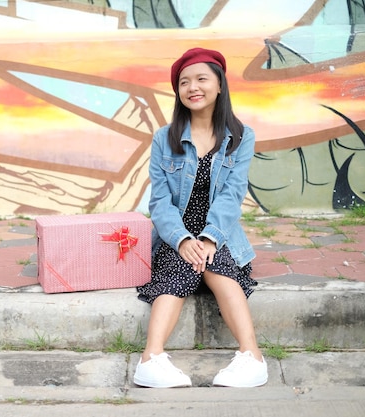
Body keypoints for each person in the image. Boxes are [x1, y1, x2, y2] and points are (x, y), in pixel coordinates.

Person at [133, 47, 267, 388]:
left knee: (217, 264)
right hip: (174, 232)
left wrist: (208, 239)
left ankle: (252, 357)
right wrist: (181, 239)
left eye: (202, 79)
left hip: (219, 233)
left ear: (220, 85)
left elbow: (232, 195)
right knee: (181, 264)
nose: (193, 87)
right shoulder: (165, 138)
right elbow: (160, 201)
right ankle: (151, 359)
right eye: (184, 82)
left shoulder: (241, 136)